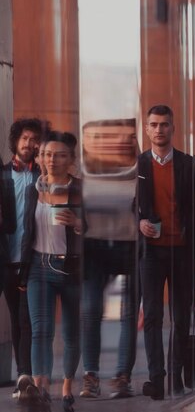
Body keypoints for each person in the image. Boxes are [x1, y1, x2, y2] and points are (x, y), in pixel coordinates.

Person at [137, 105, 195, 400]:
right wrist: (140, 222)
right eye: (154, 125)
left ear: (173, 128)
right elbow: (127, 208)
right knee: (154, 316)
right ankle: (156, 379)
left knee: (182, 317)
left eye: (165, 125)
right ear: (147, 129)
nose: (159, 130)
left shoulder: (192, 165)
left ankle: (176, 377)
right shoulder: (137, 166)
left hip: (186, 252)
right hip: (150, 254)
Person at [20, 131, 84, 412]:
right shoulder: (32, 189)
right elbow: (26, 233)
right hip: (38, 266)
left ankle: (67, 388)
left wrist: (79, 223)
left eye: (59, 155)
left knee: (71, 333)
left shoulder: (81, 190)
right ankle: (41, 387)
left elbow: (99, 230)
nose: (52, 160)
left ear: (70, 159)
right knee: (41, 331)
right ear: (40, 157)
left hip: (70, 268)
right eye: (47, 154)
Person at [79, 118, 140, 399]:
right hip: (95, 249)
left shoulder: (138, 172)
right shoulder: (85, 174)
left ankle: (122, 377)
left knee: (129, 315)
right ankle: (90, 375)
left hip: (130, 248)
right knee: (90, 310)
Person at [0, 118, 44, 401]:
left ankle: (25, 376)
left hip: (30, 261)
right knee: (17, 320)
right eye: (25, 138)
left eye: (34, 139)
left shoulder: (43, 176)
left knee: (26, 322)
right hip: (4, 259)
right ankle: (22, 376)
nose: (29, 144)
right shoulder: (2, 174)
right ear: (15, 140)